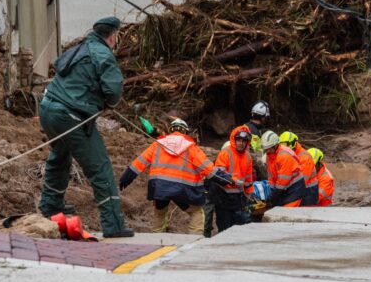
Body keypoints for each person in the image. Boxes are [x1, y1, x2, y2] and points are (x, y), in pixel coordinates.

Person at [38, 16, 133, 238]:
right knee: (100, 167)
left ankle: (51, 205)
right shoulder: (104, 55)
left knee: (60, 155)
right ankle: (113, 225)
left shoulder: (81, 47)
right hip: (70, 115)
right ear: (113, 36)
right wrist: (108, 103)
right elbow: (114, 90)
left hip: (47, 108)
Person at [118, 118, 232, 235]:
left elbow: (139, 162)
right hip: (183, 189)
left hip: (159, 187)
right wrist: (226, 179)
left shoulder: (158, 144)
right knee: (196, 213)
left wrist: (126, 178)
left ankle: (157, 239)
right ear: (185, 132)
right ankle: (194, 242)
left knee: (159, 212)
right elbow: (208, 169)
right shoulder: (191, 147)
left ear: (170, 130)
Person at [211, 126, 254, 233]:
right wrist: (233, 180)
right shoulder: (225, 153)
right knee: (224, 229)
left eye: (244, 141)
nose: (241, 143)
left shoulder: (248, 157)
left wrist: (249, 194)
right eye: (239, 140)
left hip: (238, 199)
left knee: (238, 230)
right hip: (223, 197)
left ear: (247, 142)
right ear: (234, 140)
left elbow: (248, 178)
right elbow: (218, 175)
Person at [261, 130, 306, 207]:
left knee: (287, 212)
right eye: (265, 148)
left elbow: (282, 182)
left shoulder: (284, 156)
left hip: (295, 188)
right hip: (283, 188)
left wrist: (272, 196)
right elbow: (271, 176)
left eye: (269, 148)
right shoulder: (269, 156)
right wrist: (271, 192)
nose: (267, 150)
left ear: (275, 145)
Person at [279, 131, 318, 206]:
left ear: (293, 144)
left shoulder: (304, 158)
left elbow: (303, 181)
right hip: (297, 188)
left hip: (308, 192)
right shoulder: (288, 155)